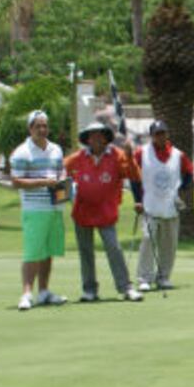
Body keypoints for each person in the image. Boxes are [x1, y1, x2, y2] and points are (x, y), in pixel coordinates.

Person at [64, 122, 145, 302]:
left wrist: (130, 156)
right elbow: (61, 171)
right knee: (85, 251)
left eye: (100, 135)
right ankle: (89, 290)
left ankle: (125, 288)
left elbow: (134, 175)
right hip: (82, 211)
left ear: (106, 137)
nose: (96, 138)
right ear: (87, 139)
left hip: (106, 211)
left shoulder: (117, 155)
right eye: (92, 135)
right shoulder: (78, 157)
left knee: (114, 248)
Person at [11, 110, 68, 311]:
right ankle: (27, 293)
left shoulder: (56, 149)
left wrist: (62, 181)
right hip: (34, 208)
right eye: (38, 126)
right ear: (30, 129)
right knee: (32, 253)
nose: (42, 130)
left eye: (45, 126)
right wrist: (44, 182)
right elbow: (16, 181)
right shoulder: (22, 152)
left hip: (54, 207)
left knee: (48, 252)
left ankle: (43, 291)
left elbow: (61, 171)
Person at [134, 120, 194, 291]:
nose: (160, 137)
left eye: (163, 133)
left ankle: (163, 277)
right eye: (157, 134)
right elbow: (133, 175)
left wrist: (180, 189)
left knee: (169, 244)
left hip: (170, 206)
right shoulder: (142, 153)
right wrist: (138, 199)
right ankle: (144, 278)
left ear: (167, 134)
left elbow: (189, 172)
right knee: (147, 240)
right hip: (149, 205)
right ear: (152, 136)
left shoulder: (178, 154)